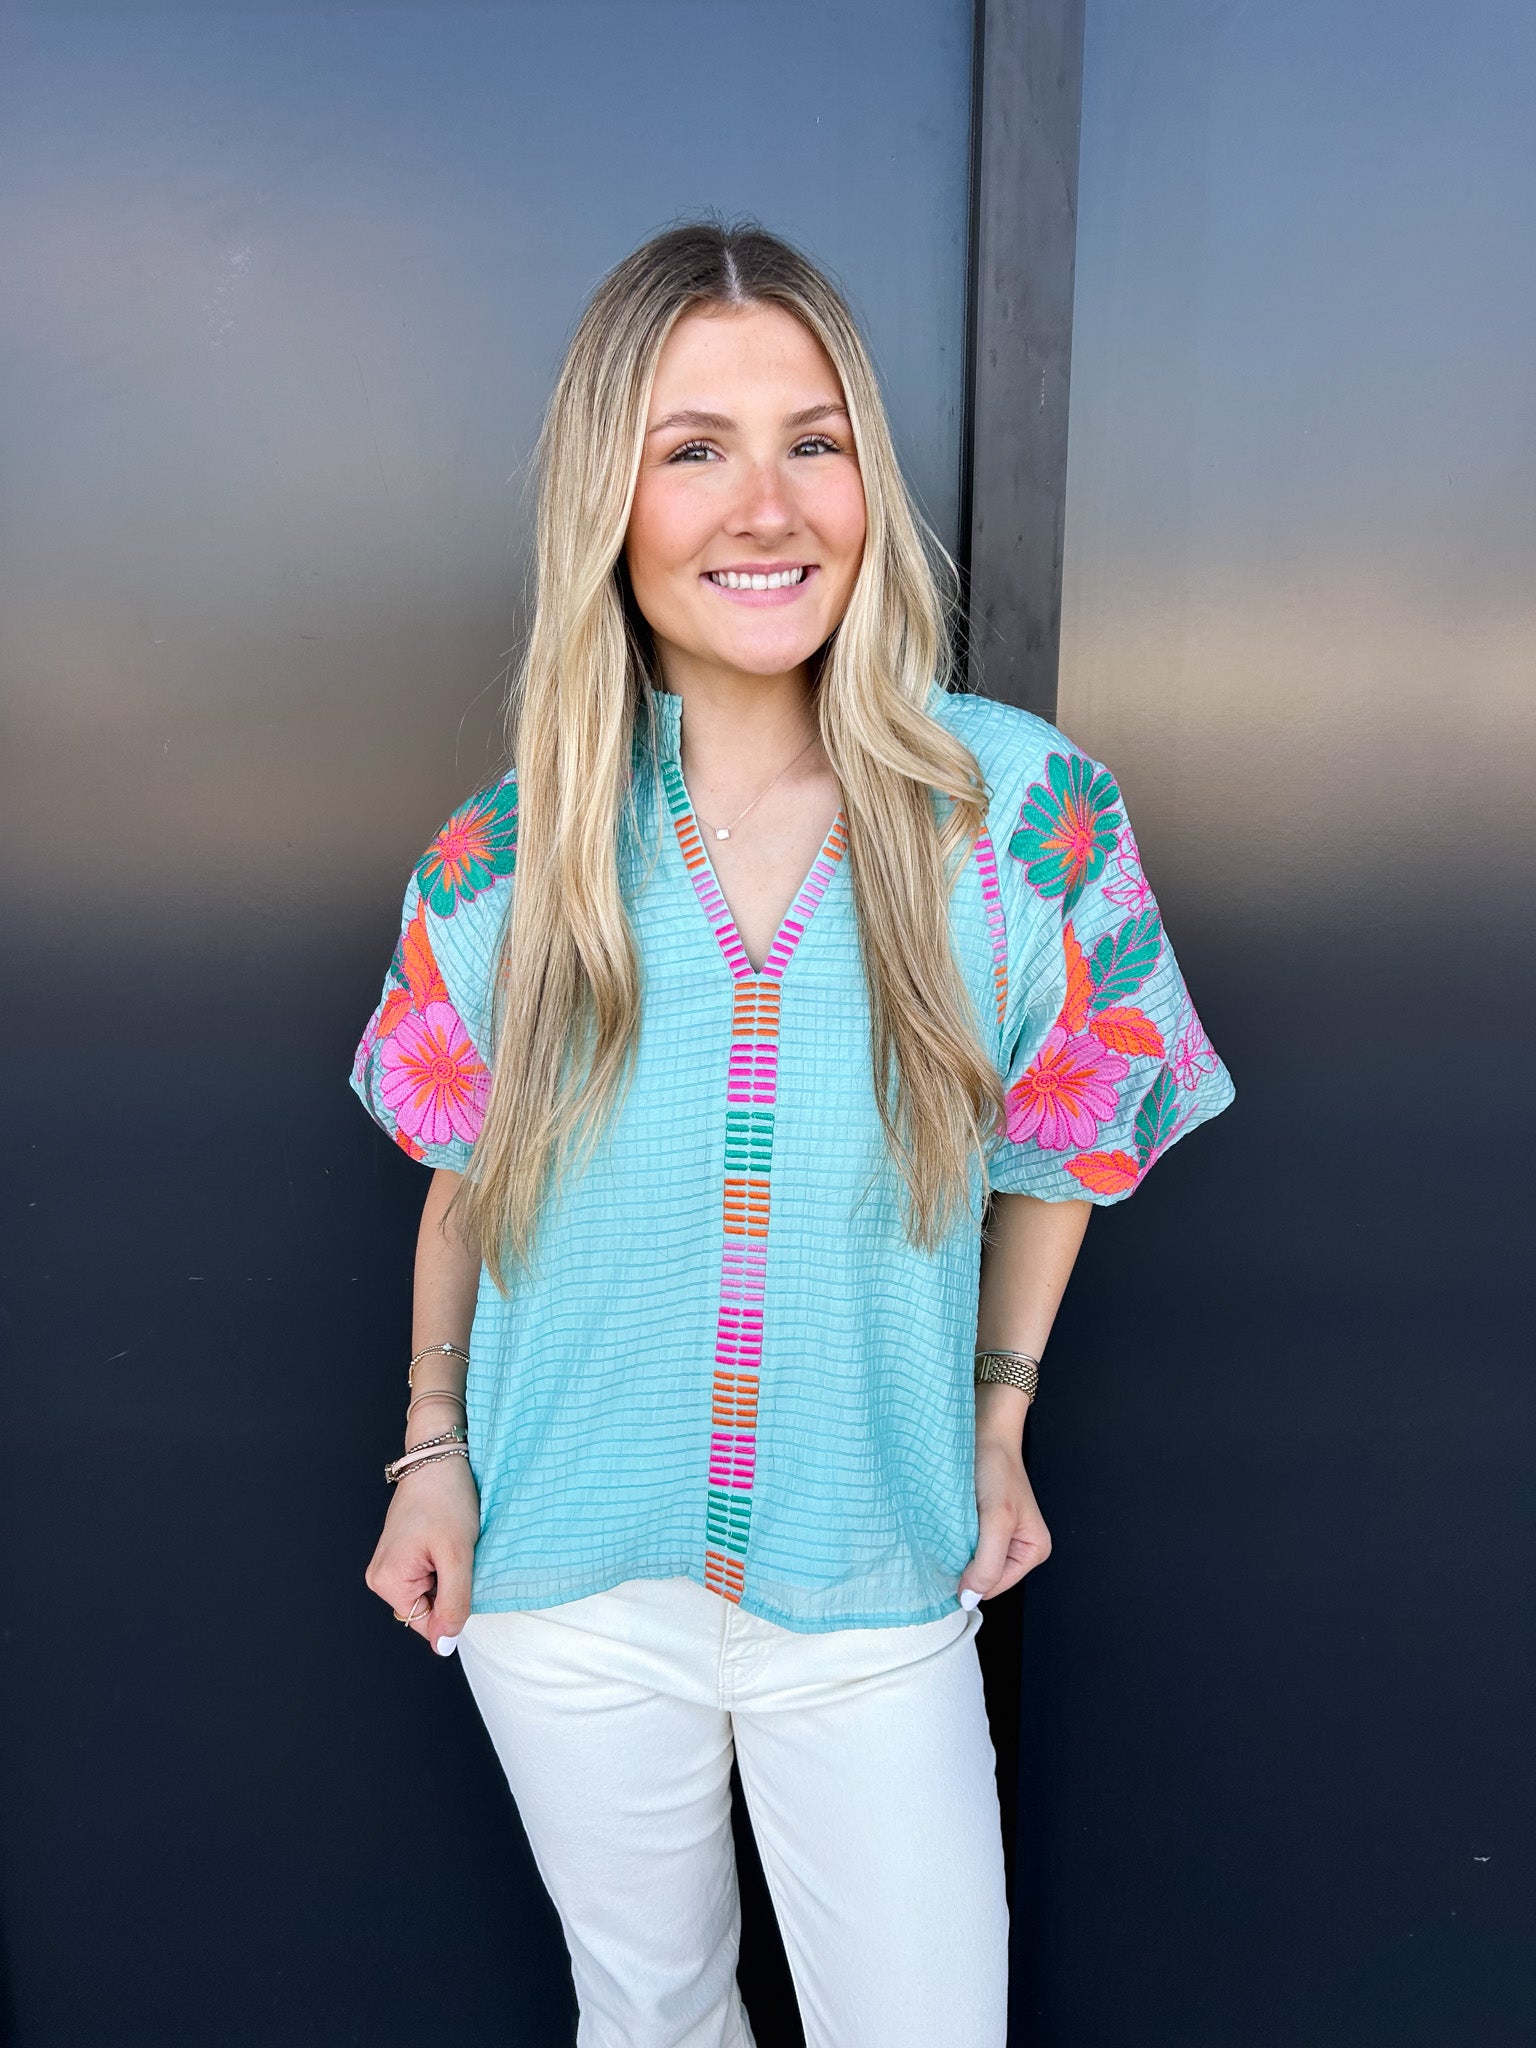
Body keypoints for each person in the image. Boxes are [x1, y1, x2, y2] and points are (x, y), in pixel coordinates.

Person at [349, 219, 1233, 2048]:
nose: (768, 507)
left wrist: (997, 1415)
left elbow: (1072, 1139)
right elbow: (468, 1182)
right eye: (695, 447)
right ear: (609, 501)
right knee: (652, 2019)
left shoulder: (1024, 809)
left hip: (872, 1563)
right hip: (561, 1575)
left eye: (812, 441)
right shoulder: (509, 851)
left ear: (866, 480)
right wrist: (430, 1451)